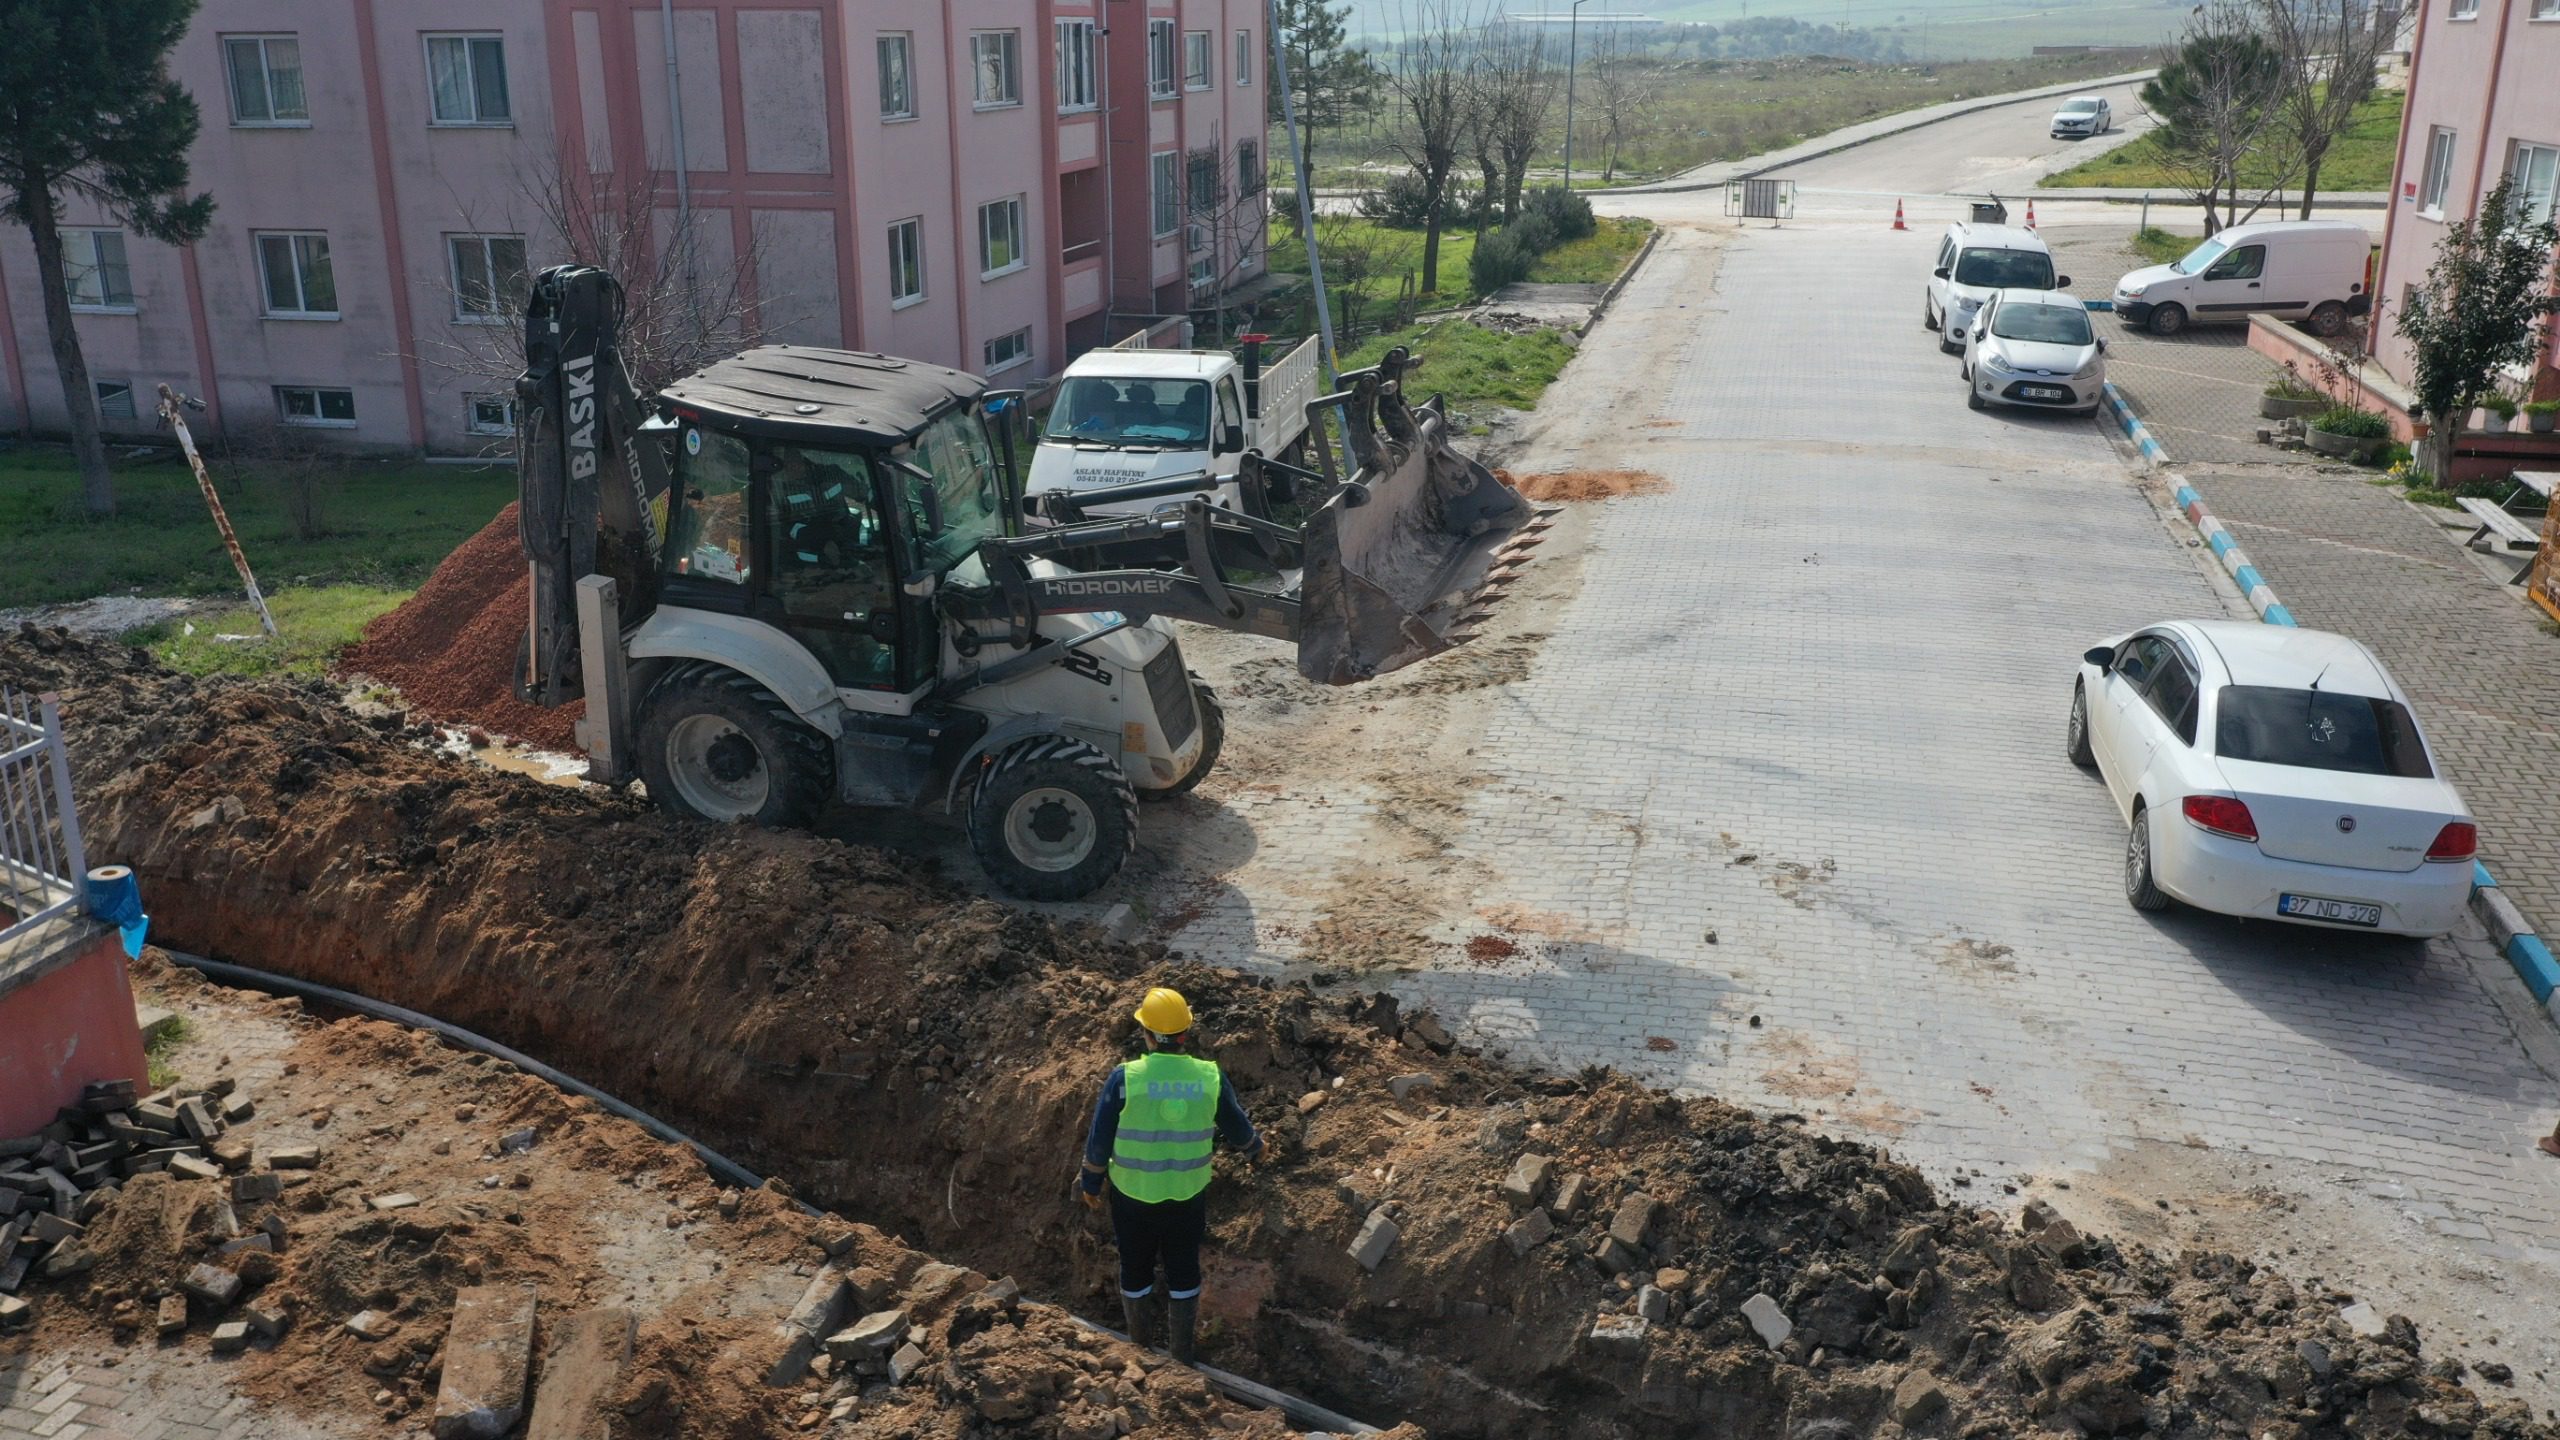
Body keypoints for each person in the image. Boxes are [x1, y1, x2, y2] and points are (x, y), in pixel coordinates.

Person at [1078, 986, 1261, 1363]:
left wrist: (1091, 1182)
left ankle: (1140, 1350)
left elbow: (1099, 1140)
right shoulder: (1209, 1077)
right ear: (1185, 1034)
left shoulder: (1125, 1078)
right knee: (1183, 1269)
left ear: (1146, 1034)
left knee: (1135, 1267)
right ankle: (1181, 1358)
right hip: (1186, 1196)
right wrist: (1255, 1149)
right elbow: (1235, 1124)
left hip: (1133, 1197)